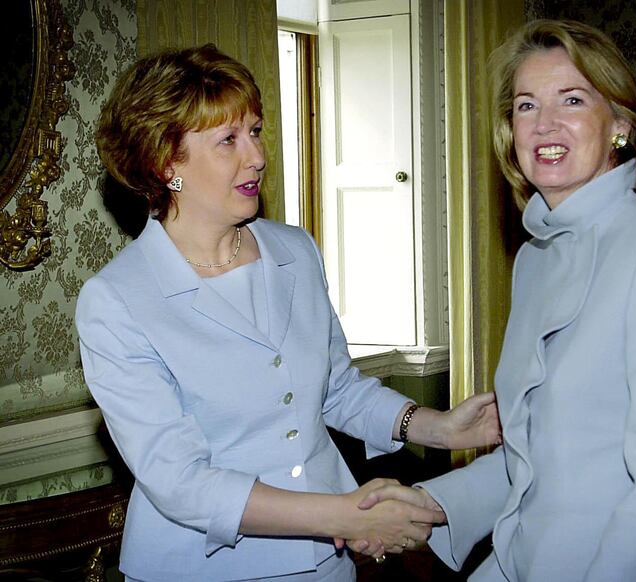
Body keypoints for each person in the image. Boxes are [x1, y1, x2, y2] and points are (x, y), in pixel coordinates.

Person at [75, 44, 501, 582]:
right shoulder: (117, 300)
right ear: (165, 163)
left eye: (254, 131)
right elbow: (181, 480)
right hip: (202, 569)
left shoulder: (295, 250)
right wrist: (342, 513)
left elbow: (335, 390)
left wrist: (438, 428)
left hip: (327, 561)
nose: (255, 155)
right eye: (228, 140)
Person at [356, 19, 636, 581]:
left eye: (571, 100)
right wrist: (427, 504)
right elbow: (536, 457)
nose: (544, 123)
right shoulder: (534, 258)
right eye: (526, 106)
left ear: (620, 125)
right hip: (520, 559)